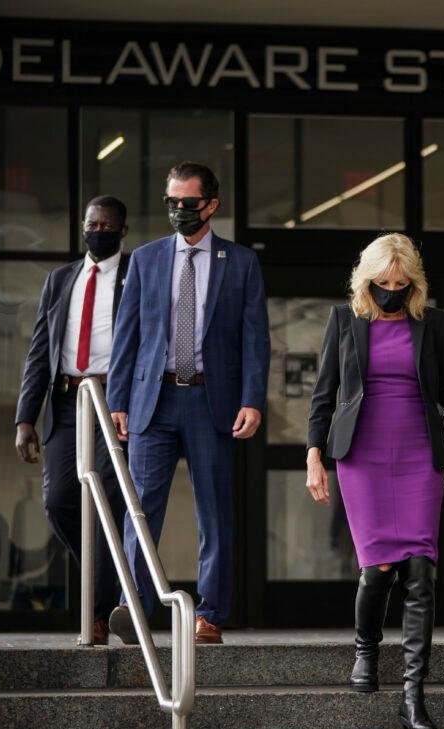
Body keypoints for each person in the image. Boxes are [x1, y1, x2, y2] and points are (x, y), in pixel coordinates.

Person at [305, 233, 444, 729]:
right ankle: (366, 650)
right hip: (362, 455)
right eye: (383, 284)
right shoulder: (344, 322)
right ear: (367, 281)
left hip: (418, 453)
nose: (392, 292)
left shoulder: (430, 323)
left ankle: (413, 696)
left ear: (413, 283)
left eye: (401, 284)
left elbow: (443, 389)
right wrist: (314, 455)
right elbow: (324, 395)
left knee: (421, 569)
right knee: (378, 567)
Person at [107, 162, 270, 645]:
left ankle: (210, 614)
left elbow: (255, 338)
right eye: (171, 202)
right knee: (140, 507)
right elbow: (127, 335)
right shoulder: (146, 259)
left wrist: (253, 400)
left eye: (188, 202)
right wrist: (118, 398)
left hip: (211, 400)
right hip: (151, 401)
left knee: (214, 510)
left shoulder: (239, 262)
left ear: (211, 205)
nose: (179, 210)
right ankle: (132, 605)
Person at [14, 196, 130, 644]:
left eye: (105, 224)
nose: (96, 230)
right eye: (90, 223)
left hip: (112, 400)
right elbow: (39, 351)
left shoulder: (135, 274)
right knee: (60, 499)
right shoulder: (60, 279)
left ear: (121, 231)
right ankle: (110, 579)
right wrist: (26, 417)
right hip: (65, 401)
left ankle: (99, 613)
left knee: (106, 500)